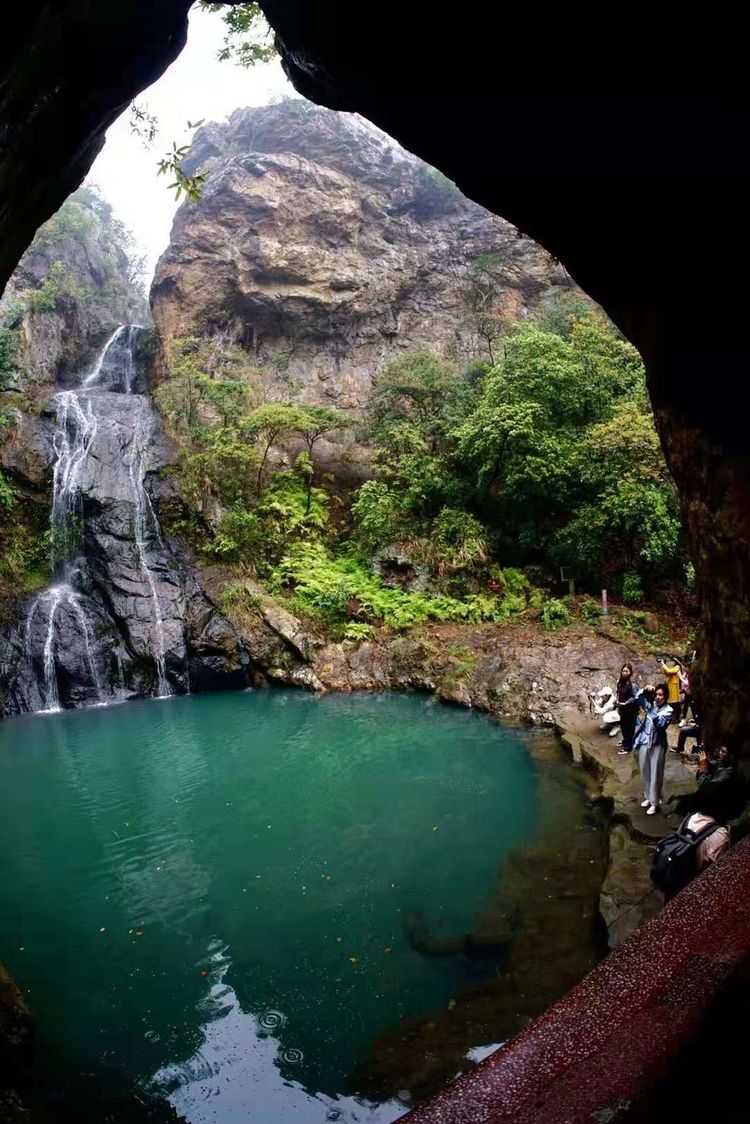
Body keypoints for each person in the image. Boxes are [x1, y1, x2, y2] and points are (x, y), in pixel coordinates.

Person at [634, 682, 673, 815]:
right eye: (656, 694)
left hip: (658, 744)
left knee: (656, 773)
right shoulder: (651, 705)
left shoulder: (668, 710)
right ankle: (648, 797)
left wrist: (654, 709)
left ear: (666, 696)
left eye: (661, 695)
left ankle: (655, 802)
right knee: (645, 770)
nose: (657, 697)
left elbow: (661, 724)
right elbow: (637, 697)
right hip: (645, 742)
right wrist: (645, 689)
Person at [615, 662, 639, 755]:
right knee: (623, 727)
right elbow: (618, 693)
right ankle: (625, 741)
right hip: (622, 710)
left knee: (630, 728)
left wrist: (625, 703)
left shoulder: (632, 685)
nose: (624, 673)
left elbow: (635, 697)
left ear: (630, 673)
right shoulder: (620, 683)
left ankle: (629, 747)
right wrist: (617, 701)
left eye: (627, 671)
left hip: (631, 710)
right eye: (623, 671)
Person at [660, 656, 682, 723]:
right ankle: (672, 718)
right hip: (670, 687)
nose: (672, 662)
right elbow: (666, 672)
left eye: (673, 661)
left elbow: (669, 671)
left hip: (674, 688)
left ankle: (677, 718)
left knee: (675, 704)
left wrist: (664, 665)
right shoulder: (673, 667)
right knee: (671, 704)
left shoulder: (677, 667)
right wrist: (663, 664)